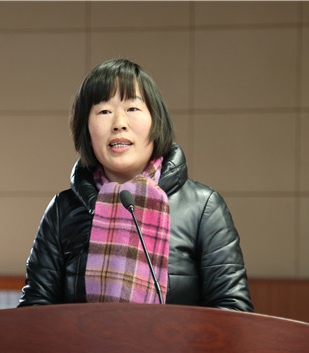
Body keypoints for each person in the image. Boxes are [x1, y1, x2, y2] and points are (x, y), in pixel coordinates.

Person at [18, 59, 253, 311]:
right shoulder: (62, 210)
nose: (119, 123)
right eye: (104, 111)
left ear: (156, 121)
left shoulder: (203, 207)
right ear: (86, 129)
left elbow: (233, 310)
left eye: (132, 108)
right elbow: (34, 311)